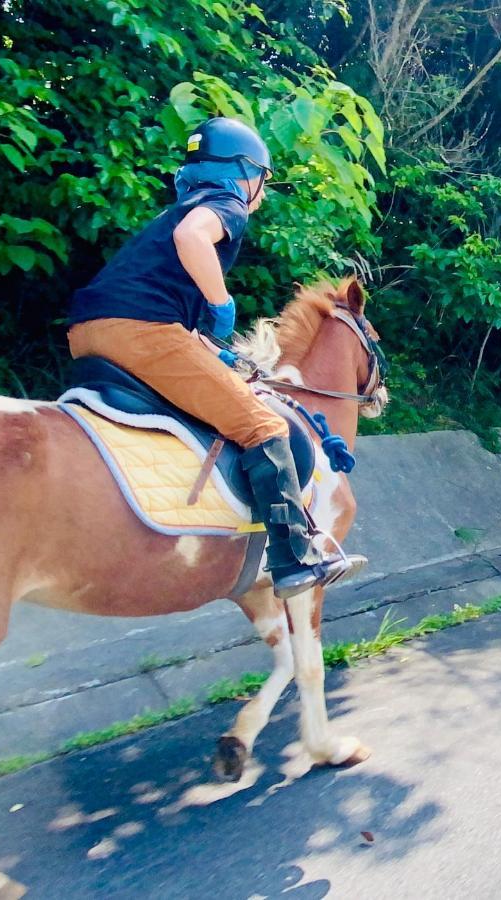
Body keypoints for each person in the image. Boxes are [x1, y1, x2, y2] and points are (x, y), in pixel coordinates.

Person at [67, 117, 366, 598]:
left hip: (91, 332)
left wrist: (219, 355)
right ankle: (294, 559)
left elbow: (172, 312)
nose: (261, 194)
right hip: (141, 333)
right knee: (264, 427)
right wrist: (222, 302)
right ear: (243, 171)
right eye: (262, 180)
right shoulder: (224, 203)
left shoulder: (174, 210)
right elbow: (193, 240)